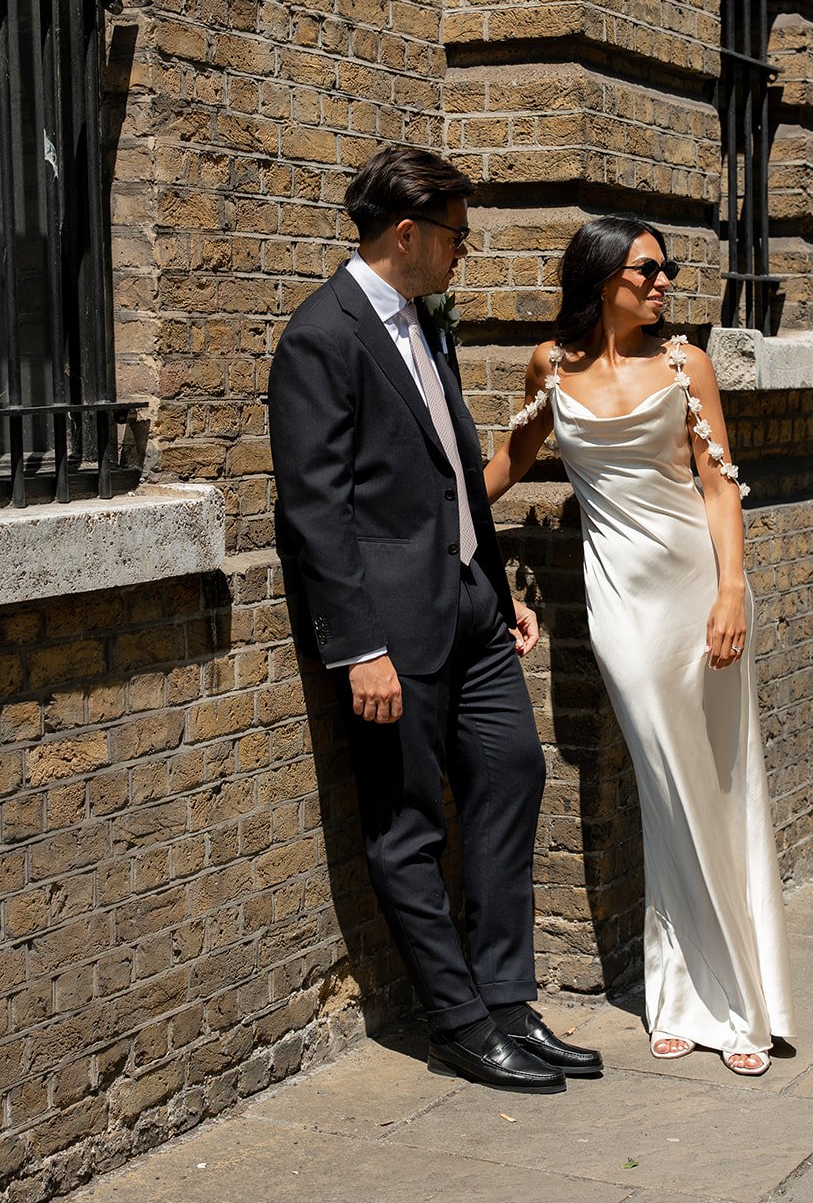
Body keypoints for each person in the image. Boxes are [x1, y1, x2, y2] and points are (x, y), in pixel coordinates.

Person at [268, 145, 602, 1094]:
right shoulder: (320, 337)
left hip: (468, 608)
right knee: (407, 824)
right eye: (457, 234)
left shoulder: (422, 322)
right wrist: (360, 647)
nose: (465, 250)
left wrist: (495, 594)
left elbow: (452, 476)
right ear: (407, 233)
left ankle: (505, 1001)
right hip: (392, 632)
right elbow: (315, 511)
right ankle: (457, 1021)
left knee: (510, 775)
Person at [485, 216, 795, 1075]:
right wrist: (441, 525)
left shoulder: (685, 364)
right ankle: (690, 989)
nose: (663, 283)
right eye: (646, 270)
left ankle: (730, 1005)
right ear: (600, 278)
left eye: (666, 270)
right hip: (620, 604)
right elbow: (507, 464)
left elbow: (718, 487)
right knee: (666, 785)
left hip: (700, 591)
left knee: (714, 784)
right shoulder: (551, 365)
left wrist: (732, 591)